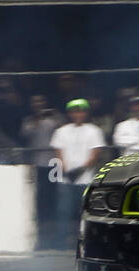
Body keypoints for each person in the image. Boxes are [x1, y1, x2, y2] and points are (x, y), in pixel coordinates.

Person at [50, 98, 106, 249]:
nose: (78, 114)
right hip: (66, 179)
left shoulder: (94, 131)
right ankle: (62, 242)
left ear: (86, 113)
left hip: (85, 178)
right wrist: (67, 170)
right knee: (63, 211)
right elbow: (58, 152)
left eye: (81, 110)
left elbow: (95, 154)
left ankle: (88, 239)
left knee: (86, 211)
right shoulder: (61, 131)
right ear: (69, 113)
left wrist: (81, 169)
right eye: (74, 111)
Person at [21, 95, 62, 248]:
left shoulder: (54, 118)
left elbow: (62, 128)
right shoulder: (28, 121)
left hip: (53, 162)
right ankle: (41, 222)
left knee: (54, 191)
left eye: (41, 102)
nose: (38, 104)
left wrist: (53, 115)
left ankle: (53, 222)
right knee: (39, 194)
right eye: (35, 102)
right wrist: (37, 119)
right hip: (37, 162)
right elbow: (25, 134)